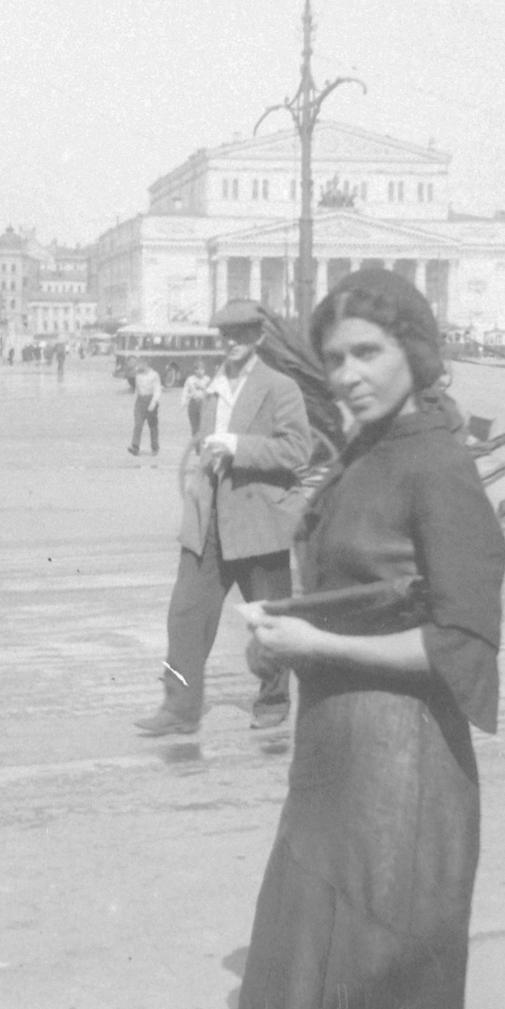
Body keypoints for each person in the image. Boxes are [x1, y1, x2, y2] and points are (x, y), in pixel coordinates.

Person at [230, 269, 505, 1009]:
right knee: (306, 1006)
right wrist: (284, 635)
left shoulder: (438, 466)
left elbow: (463, 647)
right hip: (334, 767)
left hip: (402, 777)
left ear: (415, 351)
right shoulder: (368, 455)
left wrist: (316, 648)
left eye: (368, 351)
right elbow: (359, 593)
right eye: (335, 357)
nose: (350, 373)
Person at [135, 301, 312, 735]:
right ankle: (179, 708)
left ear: (259, 338)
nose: (231, 341)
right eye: (225, 334)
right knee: (184, 618)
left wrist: (239, 445)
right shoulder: (214, 386)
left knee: (266, 621)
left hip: (257, 524)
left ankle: (272, 701)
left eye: (241, 333)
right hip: (207, 523)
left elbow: (297, 451)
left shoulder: (280, 388)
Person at [128, 359, 162, 455]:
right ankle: (135, 446)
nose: (138, 366)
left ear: (146, 364)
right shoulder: (138, 375)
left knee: (153, 426)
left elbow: (157, 390)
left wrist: (153, 403)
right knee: (138, 424)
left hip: (150, 399)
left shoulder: (154, 375)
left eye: (140, 364)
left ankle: (155, 447)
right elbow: (137, 390)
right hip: (140, 401)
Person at [181, 362, 210, 437]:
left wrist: (202, 387)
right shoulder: (190, 379)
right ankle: (197, 447)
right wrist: (183, 401)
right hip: (193, 403)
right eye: (199, 370)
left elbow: (211, 391)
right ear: (195, 370)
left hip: (203, 403)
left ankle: (202, 446)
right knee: (195, 428)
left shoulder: (207, 379)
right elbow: (185, 390)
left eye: (203, 369)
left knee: (202, 427)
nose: (201, 372)